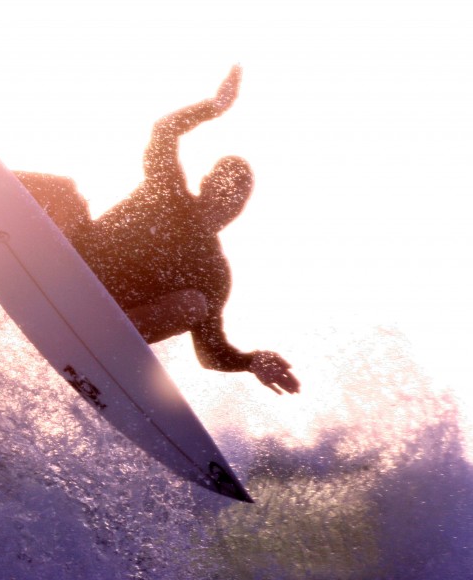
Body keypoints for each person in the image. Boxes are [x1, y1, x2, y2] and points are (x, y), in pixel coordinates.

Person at [17, 66, 300, 395]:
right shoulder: (167, 189)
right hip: (70, 267)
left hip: (108, 314)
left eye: (238, 194)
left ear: (241, 207)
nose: (228, 197)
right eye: (223, 182)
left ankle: (101, 342)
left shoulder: (212, 271)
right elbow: (165, 129)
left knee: (194, 305)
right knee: (64, 190)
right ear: (206, 182)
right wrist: (215, 106)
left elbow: (210, 353)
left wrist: (250, 361)